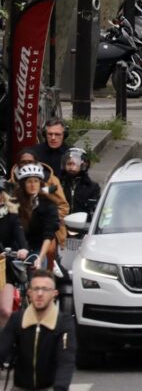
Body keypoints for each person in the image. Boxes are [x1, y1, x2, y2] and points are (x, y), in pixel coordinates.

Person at [0, 269, 75, 391]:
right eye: (36, 289)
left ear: (54, 293)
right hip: (20, 387)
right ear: (29, 293)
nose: (40, 293)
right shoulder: (17, 319)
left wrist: (60, 387)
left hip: (50, 387)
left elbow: (66, 361)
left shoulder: (63, 323)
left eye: (45, 289)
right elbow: (2, 348)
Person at [12, 165, 61, 271]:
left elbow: (48, 235)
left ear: (40, 183)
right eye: (29, 181)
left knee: (37, 272)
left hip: (38, 249)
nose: (33, 185)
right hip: (16, 249)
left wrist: (40, 257)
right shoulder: (15, 203)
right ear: (23, 184)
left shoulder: (48, 205)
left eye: (36, 181)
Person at [0, 186, 29, 327]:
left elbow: (19, 234)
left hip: (3, 268)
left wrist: (23, 249)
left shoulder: (11, 216)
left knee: (5, 311)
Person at [59, 148, 100, 217]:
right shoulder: (58, 184)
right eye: (69, 164)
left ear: (83, 165)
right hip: (61, 221)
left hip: (83, 222)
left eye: (75, 164)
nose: (71, 167)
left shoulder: (92, 187)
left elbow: (95, 210)